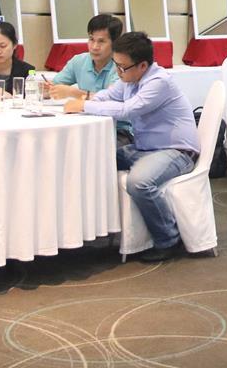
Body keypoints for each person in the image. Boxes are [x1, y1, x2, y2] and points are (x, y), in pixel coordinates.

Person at [64, 32, 199, 262]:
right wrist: (88, 102)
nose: (118, 72)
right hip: (145, 148)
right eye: (116, 65)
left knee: (139, 182)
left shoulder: (159, 82)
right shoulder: (129, 79)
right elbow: (107, 96)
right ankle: (96, 227)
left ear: (142, 65)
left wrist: (84, 106)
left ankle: (168, 239)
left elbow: (128, 109)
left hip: (176, 151)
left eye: (122, 67)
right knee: (93, 159)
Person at [49, 13, 130, 142]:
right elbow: (54, 86)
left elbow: (110, 102)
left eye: (101, 41)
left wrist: (73, 93)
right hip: (84, 128)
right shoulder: (79, 61)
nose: (94, 47)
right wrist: (46, 88)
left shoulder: (122, 66)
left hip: (117, 130)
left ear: (114, 43)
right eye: (91, 39)